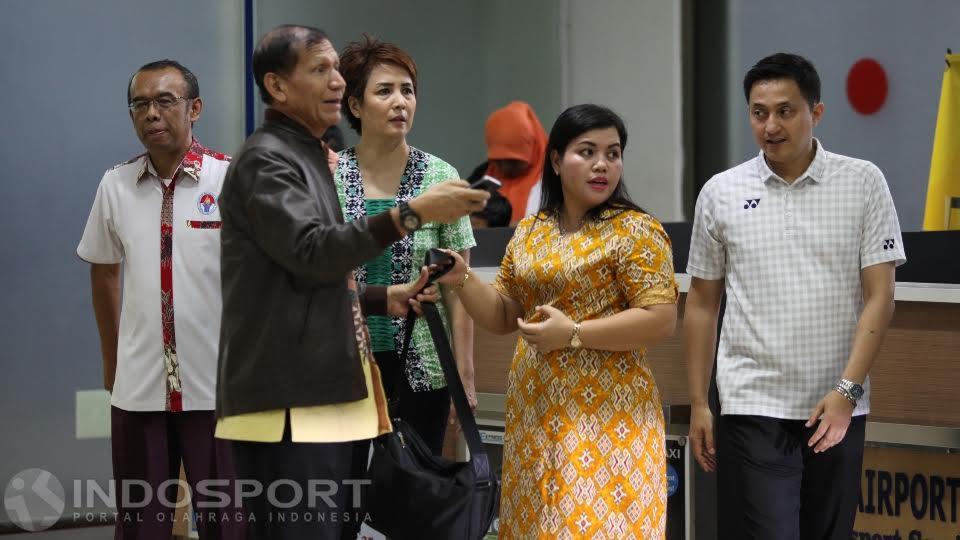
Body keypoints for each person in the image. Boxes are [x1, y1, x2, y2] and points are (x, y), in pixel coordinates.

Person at [213, 25, 488, 540]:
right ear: (277, 86)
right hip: (291, 398)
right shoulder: (272, 159)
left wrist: (388, 297)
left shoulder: (310, 157)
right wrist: (412, 213)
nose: (337, 81)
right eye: (321, 69)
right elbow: (313, 254)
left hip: (335, 386)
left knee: (388, 514)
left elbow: (314, 278)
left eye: (338, 69)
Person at [684, 53, 905, 540]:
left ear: (816, 112)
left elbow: (881, 296)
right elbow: (701, 303)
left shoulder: (863, 182)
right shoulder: (721, 192)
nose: (771, 125)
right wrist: (700, 402)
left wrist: (847, 392)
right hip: (751, 404)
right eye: (759, 112)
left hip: (836, 405)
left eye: (786, 111)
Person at [443, 104, 678, 538]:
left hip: (609, 413)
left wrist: (571, 334)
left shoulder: (636, 230)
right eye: (586, 152)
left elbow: (660, 318)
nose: (602, 165)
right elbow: (503, 315)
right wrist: (462, 278)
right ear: (555, 160)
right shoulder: (532, 230)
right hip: (535, 406)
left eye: (613, 153)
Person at [77, 60, 242, 539]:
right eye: (140, 104)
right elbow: (104, 274)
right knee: (141, 523)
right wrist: (113, 364)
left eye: (165, 101)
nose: (151, 113)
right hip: (140, 387)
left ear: (195, 109)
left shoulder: (229, 181)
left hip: (216, 385)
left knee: (227, 523)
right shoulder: (116, 185)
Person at [334, 35, 477, 455]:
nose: (401, 102)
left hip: (423, 366)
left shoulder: (441, 177)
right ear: (355, 106)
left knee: (415, 497)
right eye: (385, 91)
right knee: (344, 499)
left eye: (407, 90)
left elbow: (460, 287)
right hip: (343, 362)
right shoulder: (329, 176)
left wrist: (464, 376)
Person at [468, 101, 547, 225]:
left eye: (513, 161)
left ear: (531, 148)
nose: (505, 168)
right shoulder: (483, 175)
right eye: (498, 161)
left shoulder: (556, 177)